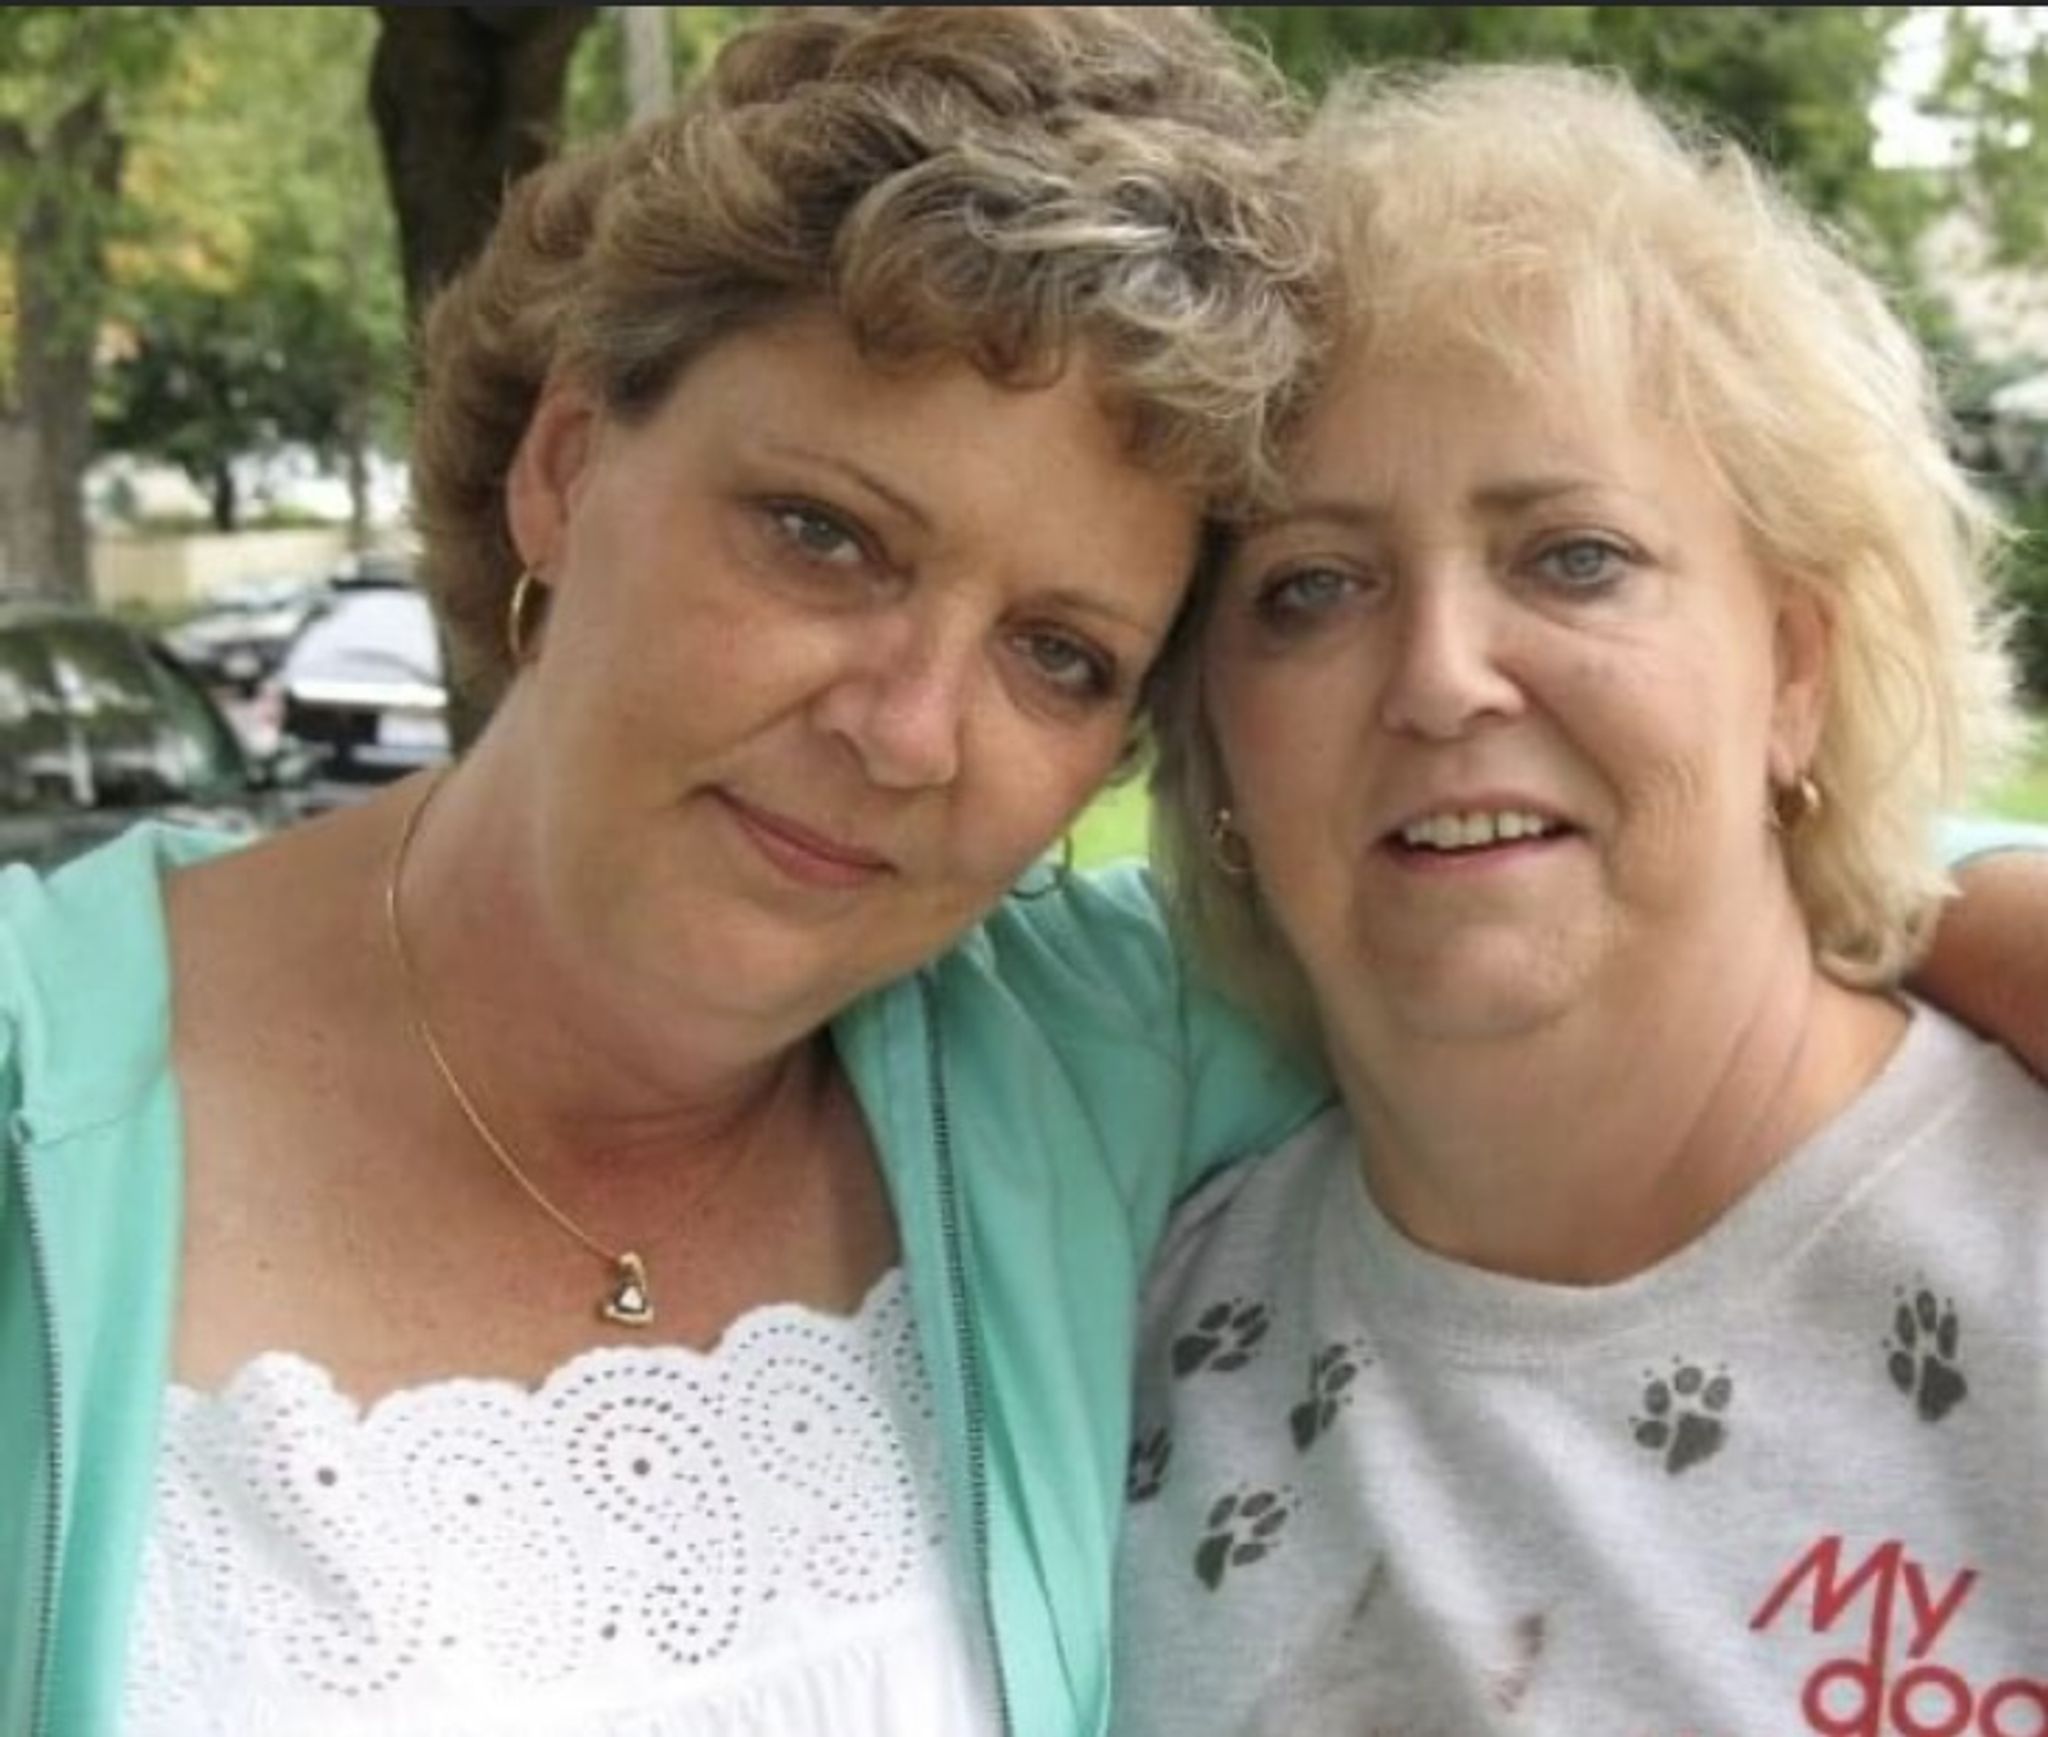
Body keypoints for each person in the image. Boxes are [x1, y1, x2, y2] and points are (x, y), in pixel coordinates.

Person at [0, 12, 1331, 1736]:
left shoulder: (1122, 1067)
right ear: (562, 469)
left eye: (1059, 655)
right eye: (826, 535)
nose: (907, 731)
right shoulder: (39, 1099)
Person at [1116, 62, 2048, 1734]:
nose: (1439, 675)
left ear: (1793, 670)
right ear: (1213, 743)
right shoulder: (1119, 1351)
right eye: (1312, 587)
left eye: (1573, 555)